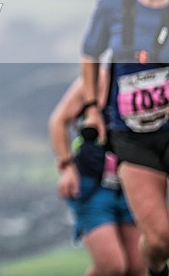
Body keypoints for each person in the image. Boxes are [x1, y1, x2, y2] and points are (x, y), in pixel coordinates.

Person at [81, 0, 169, 276]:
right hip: (132, 135)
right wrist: (91, 108)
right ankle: (157, 268)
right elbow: (90, 54)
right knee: (159, 239)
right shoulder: (111, 5)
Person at [48, 73, 144, 276]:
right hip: (92, 185)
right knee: (112, 266)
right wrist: (66, 167)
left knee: (137, 268)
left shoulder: (147, 77)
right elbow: (58, 121)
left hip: (132, 183)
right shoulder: (97, 79)